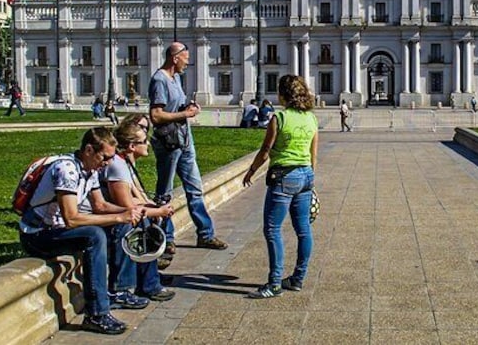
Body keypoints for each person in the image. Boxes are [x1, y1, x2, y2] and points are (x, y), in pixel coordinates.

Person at [18, 128, 144, 335]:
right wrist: (120, 216)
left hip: (57, 229)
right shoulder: (66, 170)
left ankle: (120, 290)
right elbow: (72, 218)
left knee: (120, 225)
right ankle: (96, 314)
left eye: (112, 158)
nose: (108, 163)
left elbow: (100, 206)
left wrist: (131, 210)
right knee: (94, 236)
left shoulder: (90, 170)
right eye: (105, 157)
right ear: (88, 150)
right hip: (37, 234)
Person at [149, 42, 227, 262]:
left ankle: (205, 233)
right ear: (175, 58)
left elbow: (178, 105)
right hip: (169, 143)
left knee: (195, 188)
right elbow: (156, 115)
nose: (187, 62)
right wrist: (185, 115)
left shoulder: (176, 79)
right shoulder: (159, 80)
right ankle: (167, 236)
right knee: (165, 191)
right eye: (185, 58)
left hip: (185, 141)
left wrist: (188, 106)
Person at [243, 75, 318, 298]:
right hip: (306, 174)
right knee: (303, 230)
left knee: (273, 229)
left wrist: (251, 171)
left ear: (283, 94)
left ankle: (274, 283)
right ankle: (297, 278)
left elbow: (266, 150)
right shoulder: (311, 118)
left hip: (284, 175)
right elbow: (314, 154)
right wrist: (311, 180)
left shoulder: (280, 118)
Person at [103, 122, 176, 302]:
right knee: (140, 225)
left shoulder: (125, 162)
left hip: (113, 215)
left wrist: (153, 207)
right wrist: (158, 210)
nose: (149, 144)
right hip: (110, 219)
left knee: (146, 220)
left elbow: (134, 199)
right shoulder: (118, 166)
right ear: (132, 146)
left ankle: (149, 281)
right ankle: (133, 287)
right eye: (144, 141)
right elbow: (128, 208)